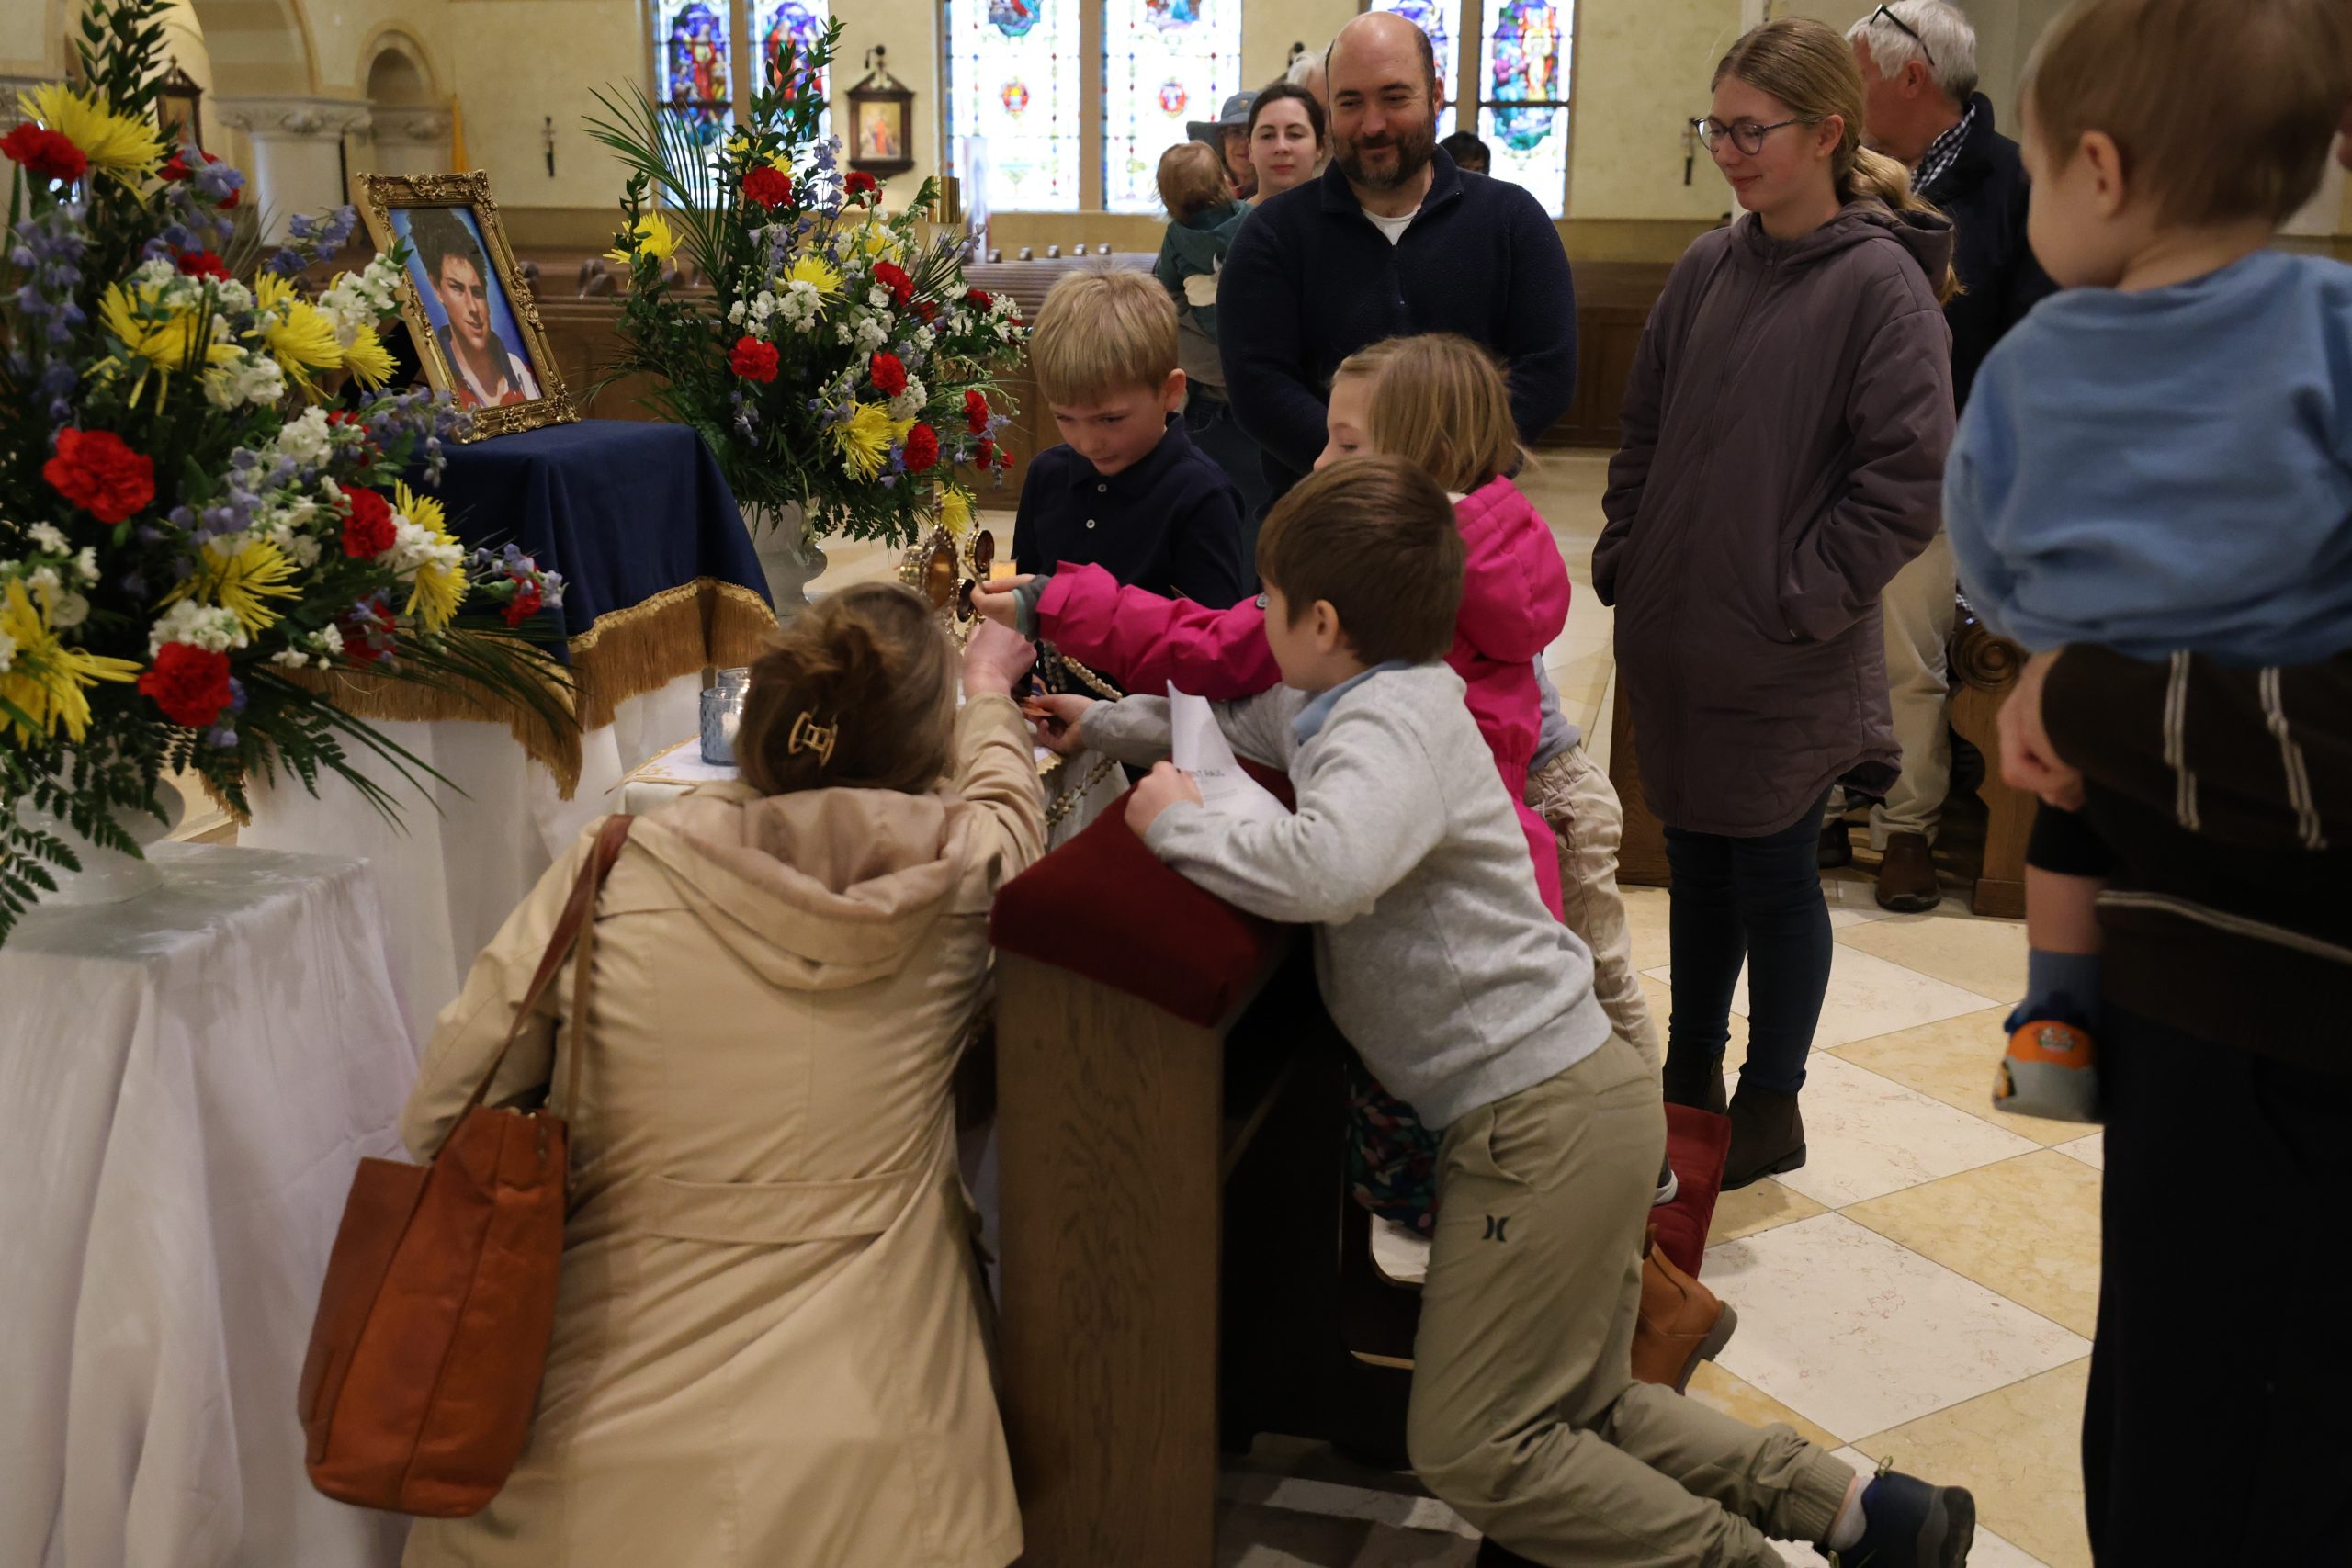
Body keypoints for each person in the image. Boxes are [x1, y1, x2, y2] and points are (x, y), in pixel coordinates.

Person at [1035, 457, 1978, 1568]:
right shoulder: (1383, 688)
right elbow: (1242, 725)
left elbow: (1327, 868)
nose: (1258, 624)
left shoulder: (1380, 723)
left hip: (1533, 1122)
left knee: (1476, 1445)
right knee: (1576, 1408)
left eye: (1269, 603)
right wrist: (1108, 728)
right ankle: (1866, 1516)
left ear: (1320, 622)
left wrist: (1175, 827)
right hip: (1571, 1100)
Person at [397, 589, 1046, 1568]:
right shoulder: (965, 883)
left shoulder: (614, 869)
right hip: (881, 1433)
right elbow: (1009, 807)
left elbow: (443, 1110)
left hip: (598, 1433)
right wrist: (988, 693)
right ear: (930, 753)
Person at [1943, 0, 2352, 1133]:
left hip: (2113, 731)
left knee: (2068, 829)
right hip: (2301, 757)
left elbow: (1983, 532)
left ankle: (2053, 1019)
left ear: (2101, 172)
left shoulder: (2032, 358)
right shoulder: (2332, 318)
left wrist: (2047, 645)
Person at [1596, 17, 1953, 1190]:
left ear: (1827, 132)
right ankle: (1688, 1075)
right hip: (1681, 633)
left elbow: (1903, 483)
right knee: (1695, 868)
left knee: (1774, 879)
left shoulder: (1878, 285)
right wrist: (1628, 549)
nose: (1729, 152)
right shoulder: (1710, 265)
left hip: (1786, 646)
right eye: (1718, 128)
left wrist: (1798, 595)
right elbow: (1643, 428)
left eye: (1752, 131)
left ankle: (1771, 1100)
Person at [1998, 642, 2349, 1567]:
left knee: (2209, 1498)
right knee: (2156, 1466)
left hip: (2287, 1043)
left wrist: (2068, 694)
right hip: (2206, 1026)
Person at [1837, 0, 2059, 909]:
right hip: (1831, 454)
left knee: (1906, 653)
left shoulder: (2013, 180)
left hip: (1946, 467)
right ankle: (1820, 807)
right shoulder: (1844, 171)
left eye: (1854, 75)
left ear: (1911, 77)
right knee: (1813, 637)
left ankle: (1906, 828)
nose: (1840, 94)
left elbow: (2038, 337)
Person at [1216, 10, 1578, 502]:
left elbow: (1547, 369)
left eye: (1394, 97)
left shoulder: (1512, 219)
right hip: (1320, 511)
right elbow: (1258, 384)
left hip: (1469, 508)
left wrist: (1453, 469)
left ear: (1435, 95)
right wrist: (1368, 475)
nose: (1373, 124)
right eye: (1350, 102)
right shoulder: (1271, 234)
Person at [1010, 266, 1251, 618]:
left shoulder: (1202, 494)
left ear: (1170, 392)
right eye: (1065, 418)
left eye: (1110, 419)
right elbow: (1023, 586)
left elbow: (1213, 635)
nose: (1088, 444)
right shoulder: (1046, 474)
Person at [406, 207, 540, 411]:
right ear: (436, 288)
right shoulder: (438, 378)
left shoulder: (520, 371)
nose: (472, 308)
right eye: (457, 288)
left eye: (477, 292)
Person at [1246, 78, 1328, 204]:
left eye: (1295, 134)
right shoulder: (1231, 217)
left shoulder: (1348, 215)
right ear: (1250, 149)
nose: (1281, 147)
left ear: (1320, 147)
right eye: (1267, 136)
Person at [1186, 90, 1258, 202]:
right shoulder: (1204, 196)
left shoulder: (1280, 194)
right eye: (1235, 132)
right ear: (1222, 141)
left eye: (1251, 132)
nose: (1243, 143)